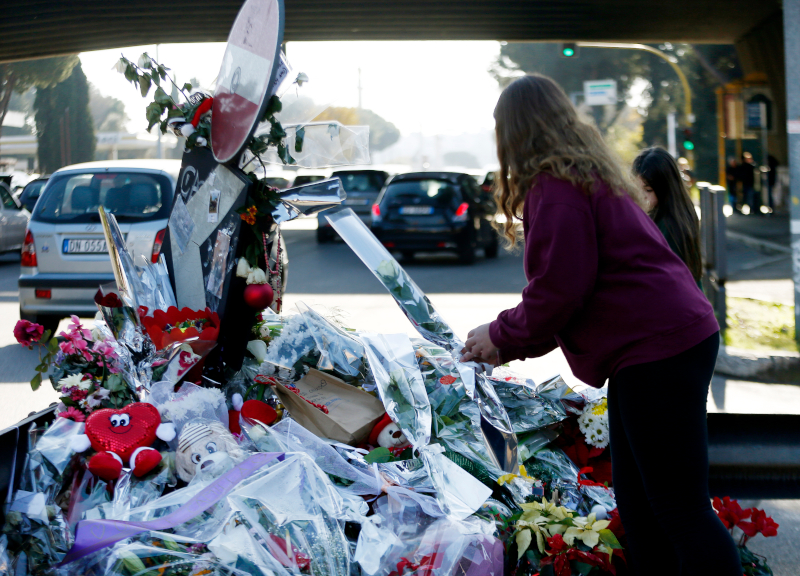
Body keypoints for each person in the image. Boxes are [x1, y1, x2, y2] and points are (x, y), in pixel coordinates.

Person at [460, 74, 741, 576]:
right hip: (664, 344)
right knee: (641, 507)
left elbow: (560, 290)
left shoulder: (558, 187)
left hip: (657, 350)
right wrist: (508, 340)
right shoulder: (585, 175)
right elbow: (568, 295)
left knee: (678, 508)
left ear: (515, 130)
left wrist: (499, 336)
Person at [632, 147, 703, 289]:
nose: (641, 196)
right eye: (635, 188)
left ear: (665, 188)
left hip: (678, 302)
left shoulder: (670, 224)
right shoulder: (678, 212)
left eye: (648, 190)